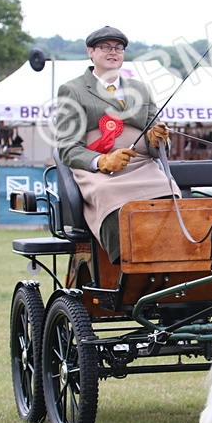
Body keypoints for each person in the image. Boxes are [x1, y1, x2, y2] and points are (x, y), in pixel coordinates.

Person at [54, 25, 178, 263]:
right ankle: (125, 263)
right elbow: (67, 147)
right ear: (91, 52)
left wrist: (158, 139)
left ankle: (173, 254)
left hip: (142, 166)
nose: (113, 52)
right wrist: (102, 161)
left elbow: (158, 140)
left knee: (169, 188)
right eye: (105, 47)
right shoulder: (73, 90)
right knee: (107, 192)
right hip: (100, 172)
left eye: (118, 48)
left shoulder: (139, 89)